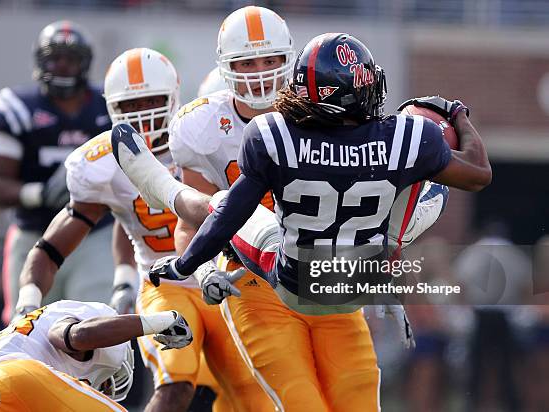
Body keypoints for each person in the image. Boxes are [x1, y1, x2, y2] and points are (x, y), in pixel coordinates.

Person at [111, 32, 491, 410]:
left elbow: (229, 216)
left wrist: (184, 265)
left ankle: (160, 184)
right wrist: (456, 114)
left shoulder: (275, 135)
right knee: (426, 198)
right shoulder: (409, 137)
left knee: (226, 205)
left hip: (290, 274)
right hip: (352, 279)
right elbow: (478, 174)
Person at [17, 47, 267, 412]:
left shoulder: (201, 134)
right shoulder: (101, 161)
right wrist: (28, 300)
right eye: (131, 105)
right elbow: (53, 246)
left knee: (249, 395)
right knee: (176, 385)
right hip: (165, 283)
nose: (144, 115)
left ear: (174, 96)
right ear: (112, 109)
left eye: (152, 100)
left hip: (225, 277)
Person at [0, 20, 114, 323]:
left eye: (71, 59)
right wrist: (39, 193)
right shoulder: (17, 108)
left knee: (95, 323)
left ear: (85, 64)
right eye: (55, 58)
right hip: (34, 232)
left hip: (93, 235)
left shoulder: (107, 107)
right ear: (41, 61)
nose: (63, 66)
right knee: (27, 330)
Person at [0, 300, 191, 411]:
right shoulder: (98, 320)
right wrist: (160, 322)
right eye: (103, 385)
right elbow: (76, 337)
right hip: (12, 377)